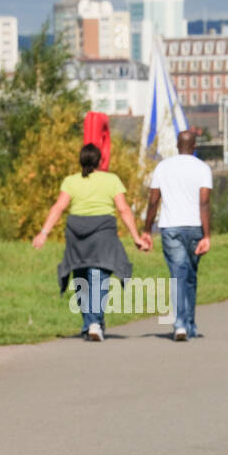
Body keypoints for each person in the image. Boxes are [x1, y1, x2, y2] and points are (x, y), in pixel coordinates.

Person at [32, 143, 149, 341]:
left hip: (77, 234)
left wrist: (43, 233)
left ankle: (90, 324)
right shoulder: (111, 180)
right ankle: (94, 323)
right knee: (98, 276)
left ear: (81, 160)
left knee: (81, 279)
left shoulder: (70, 181)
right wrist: (136, 236)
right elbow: (123, 209)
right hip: (103, 233)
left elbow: (59, 207)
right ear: (100, 161)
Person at [143, 129, 212, 340]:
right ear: (194, 147)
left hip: (170, 227)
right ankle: (185, 323)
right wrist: (207, 235)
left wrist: (147, 229)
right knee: (190, 276)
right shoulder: (202, 168)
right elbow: (204, 202)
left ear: (176, 146)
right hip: (194, 227)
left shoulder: (163, 167)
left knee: (178, 275)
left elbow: (154, 201)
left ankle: (184, 324)